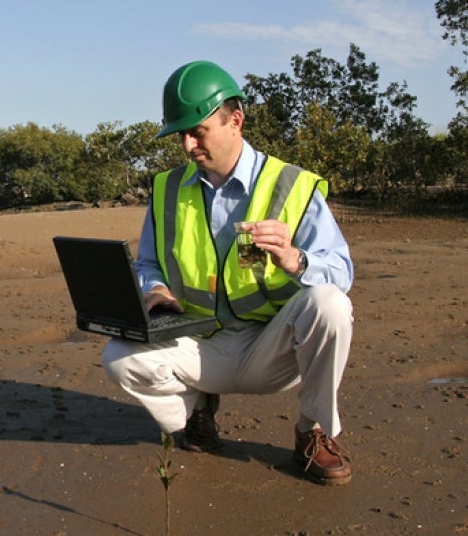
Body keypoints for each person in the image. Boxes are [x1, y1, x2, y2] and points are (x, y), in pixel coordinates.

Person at [102, 60, 356, 485]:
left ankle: (313, 430)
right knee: (119, 357)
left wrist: (296, 260)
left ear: (235, 120)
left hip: (273, 347)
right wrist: (156, 289)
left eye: (197, 132)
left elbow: (341, 271)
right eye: (180, 134)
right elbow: (147, 263)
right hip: (200, 343)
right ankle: (197, 411)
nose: (186, 145)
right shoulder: (166, 188)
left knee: (330, 304)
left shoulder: (292, 185)